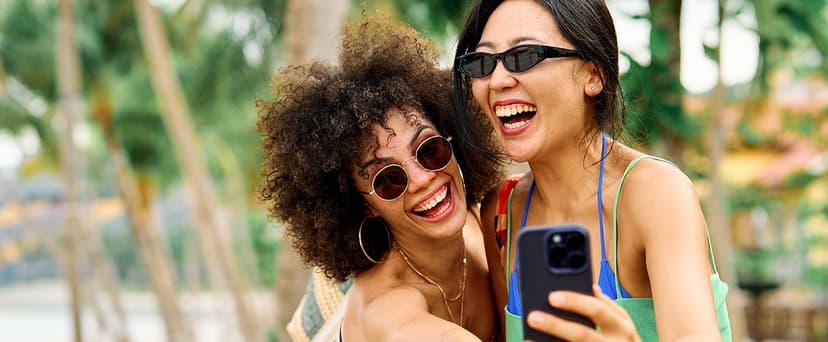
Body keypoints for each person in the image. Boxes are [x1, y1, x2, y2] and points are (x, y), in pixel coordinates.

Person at [451, 0, 732, 341]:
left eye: (525, 56)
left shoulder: (655, 192)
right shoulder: (502, 210)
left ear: (594, 75)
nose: (496, 80)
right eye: (483, 62)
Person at [257, 14, 506, 341]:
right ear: (363, 204)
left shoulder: (488, 221)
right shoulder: (386, 310)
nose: (421, 179)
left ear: (453, 141)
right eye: (389, 179)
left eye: (428, 150)